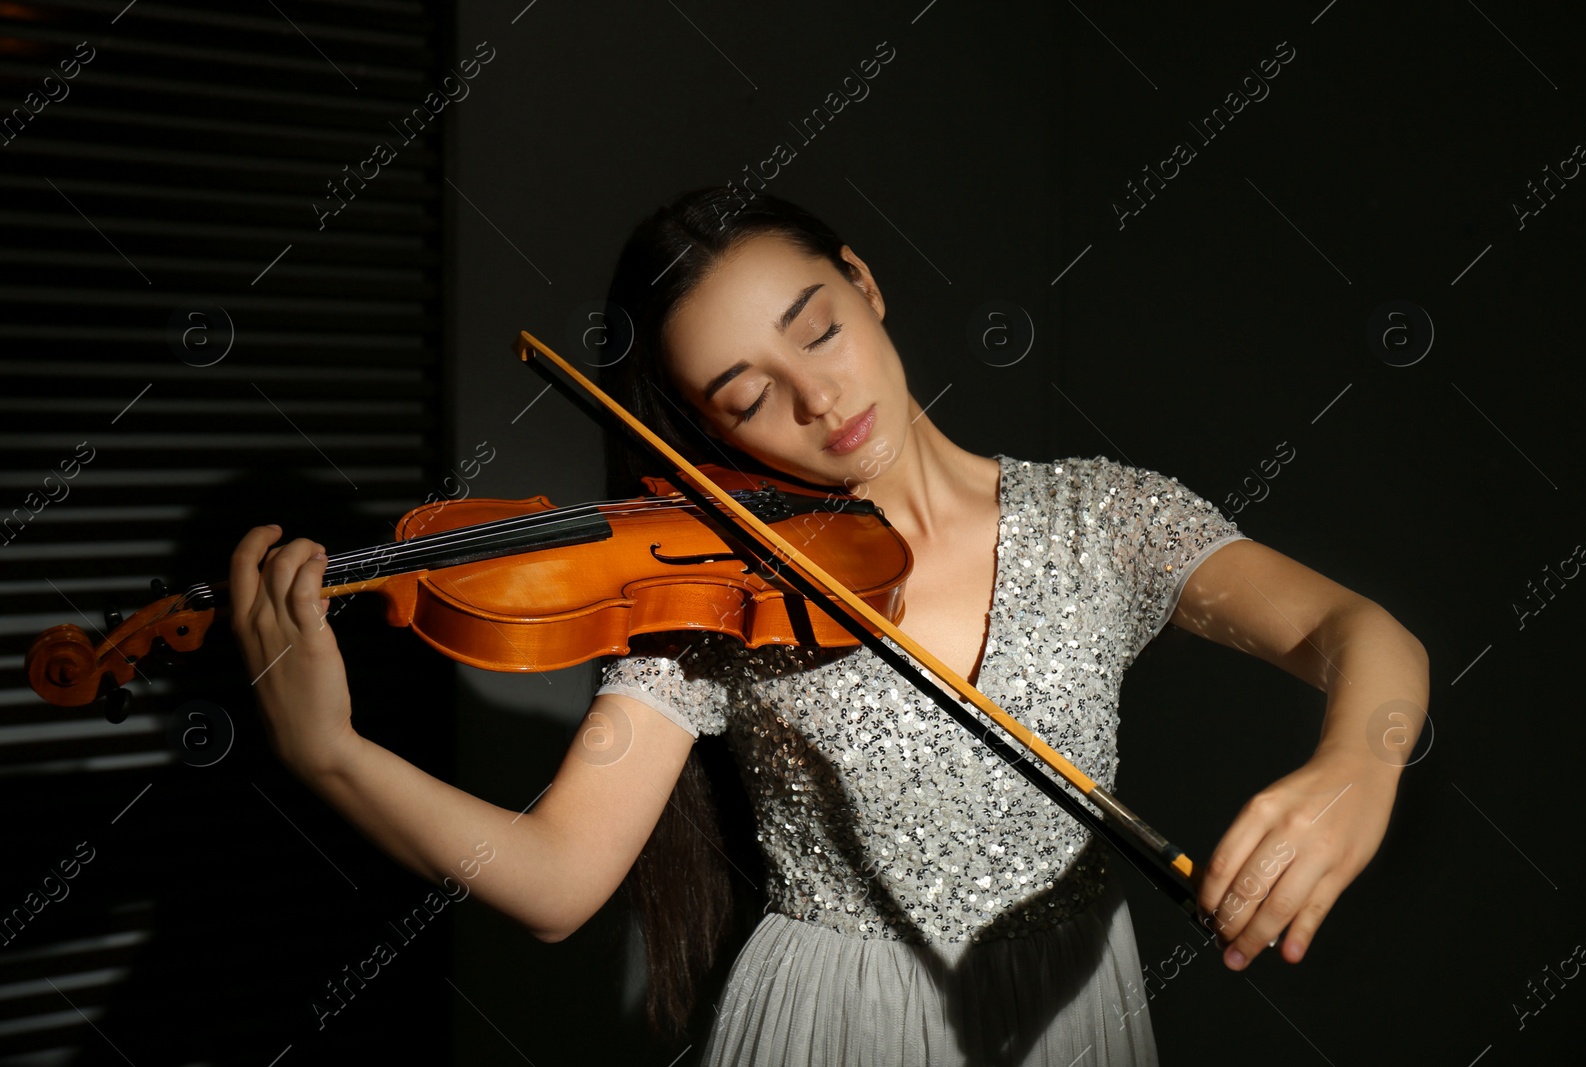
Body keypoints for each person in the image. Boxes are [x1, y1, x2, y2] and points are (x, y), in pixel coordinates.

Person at [229, 188, 1430, 1066]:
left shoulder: (1101, 517)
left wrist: (1357, 757)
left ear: (864, 281)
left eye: (817, 329)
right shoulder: (717, 594)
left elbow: (1356, 628)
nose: (818, 401)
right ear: (710, 435)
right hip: (834, 1024)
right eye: (747, 396)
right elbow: (555, 880)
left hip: (1073, 1008)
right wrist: (331, 751)